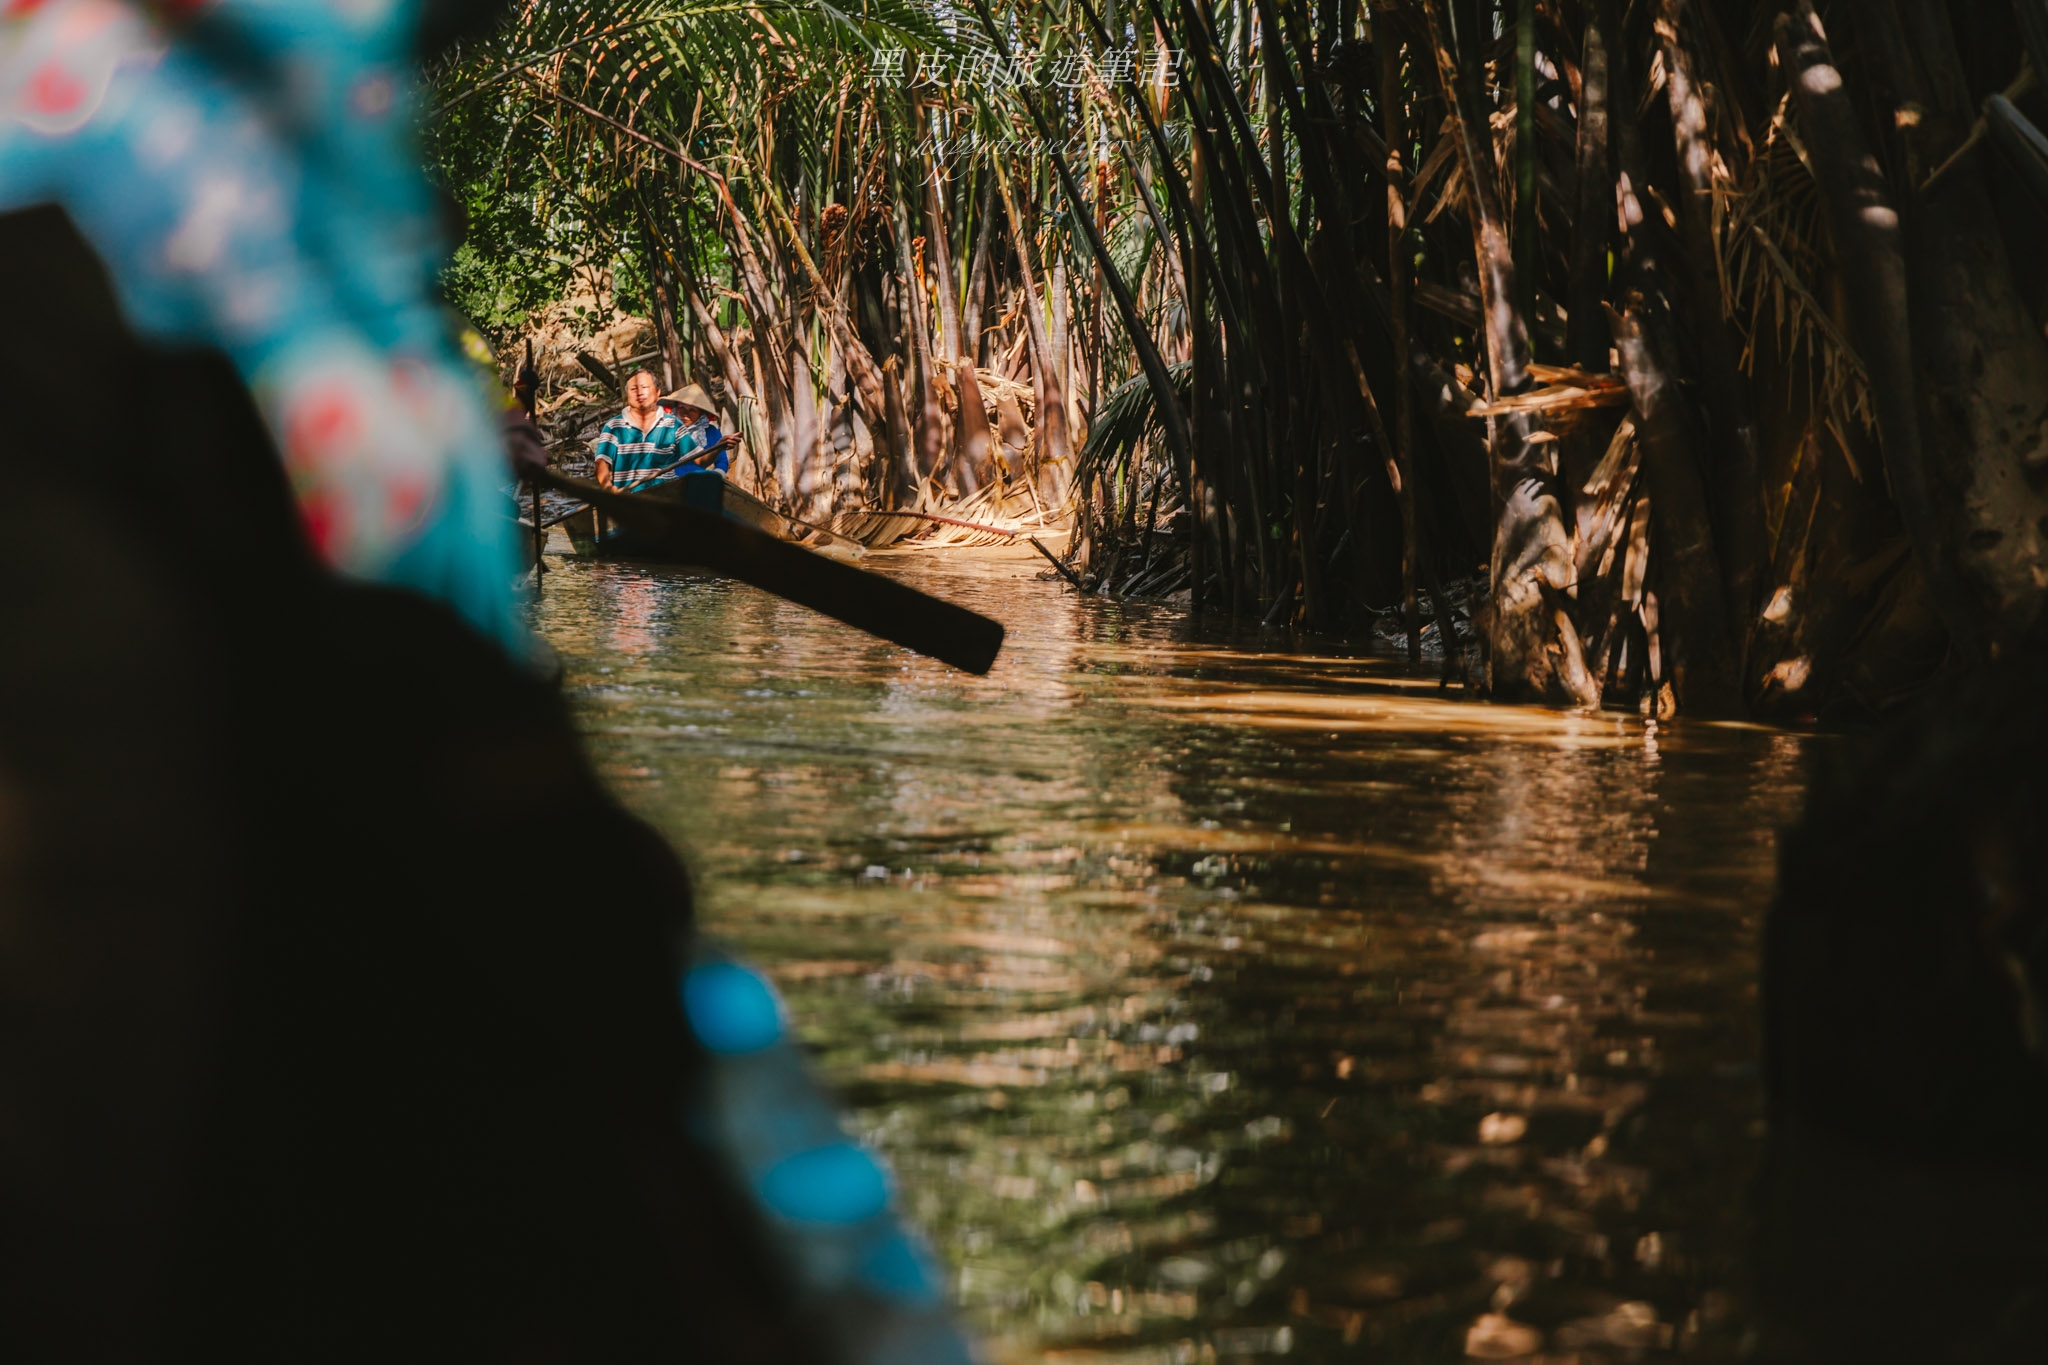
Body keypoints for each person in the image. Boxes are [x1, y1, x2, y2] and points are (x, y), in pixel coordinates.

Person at [593, 369, 688, 491]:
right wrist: (608, 487)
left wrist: (719, 446)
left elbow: (699, 459)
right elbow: (602, 462)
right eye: (633, 389)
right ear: (627, 394)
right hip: (630, 500)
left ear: (657, 392)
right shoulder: (614, 426)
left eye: (644, 387)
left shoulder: (673, 424)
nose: (639, 393)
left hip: (666, 498)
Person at [660, 382, 735, 475]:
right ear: (675, 408)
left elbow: (722, 461)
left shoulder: (711, 432)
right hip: (666, 482)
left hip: (697, 481)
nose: (685, 414)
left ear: (701, 414)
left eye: (692, 410)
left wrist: (718, 474)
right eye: (681, 407)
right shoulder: (664, 428)